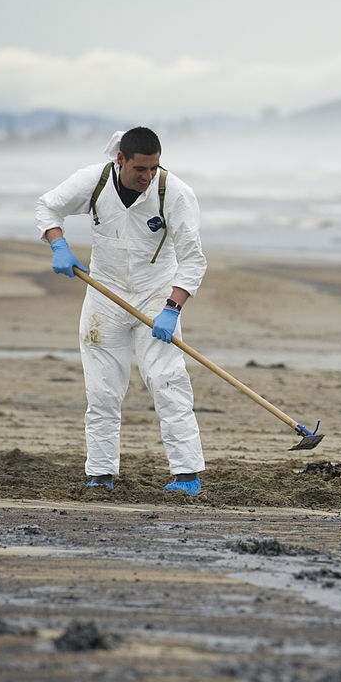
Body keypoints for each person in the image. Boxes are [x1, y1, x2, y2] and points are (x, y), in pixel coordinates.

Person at [35, 127, 207, 495]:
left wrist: (172, 308)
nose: (147, 177)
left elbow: (193, 260)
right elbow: (47, 206)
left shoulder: (173, 193)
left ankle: (187, 475)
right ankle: (100, 474)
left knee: (168, 382)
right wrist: (58, 244)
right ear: (120, 160)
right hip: (105, 295)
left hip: (157, 294)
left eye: (154, 168)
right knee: (102, 391)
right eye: (140, 169)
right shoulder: (94, 181)